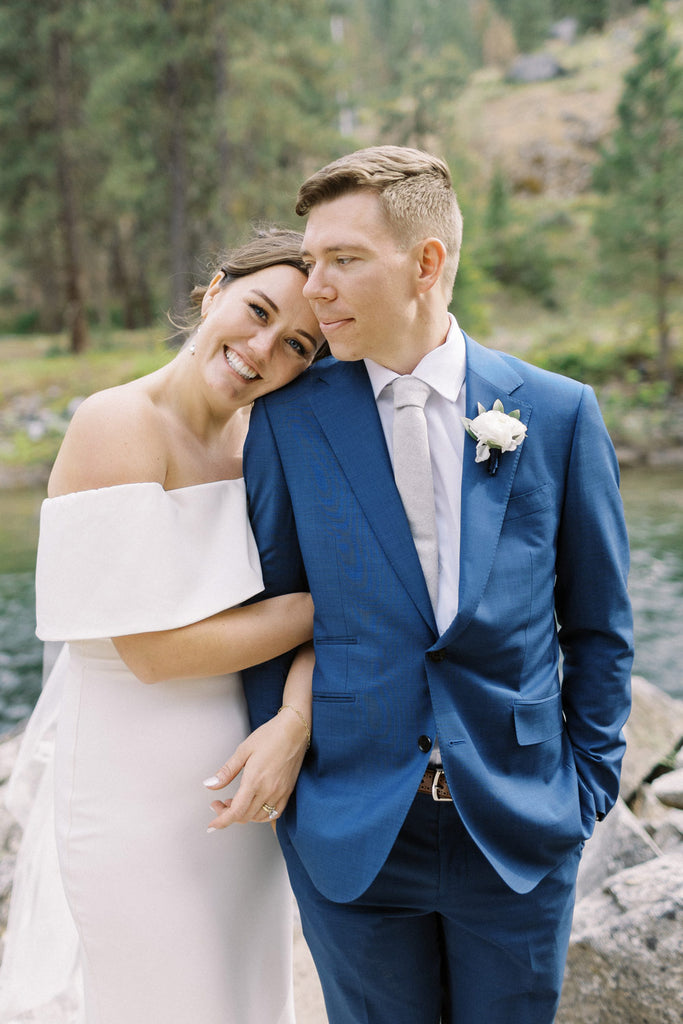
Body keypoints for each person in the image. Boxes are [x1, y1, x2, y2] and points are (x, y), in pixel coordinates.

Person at [208, 148, 634, 1023]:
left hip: (518, 828)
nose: (313, 287)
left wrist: (584, 789)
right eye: (312, 258)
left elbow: (597, 626)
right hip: (352, 828)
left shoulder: (555, 414)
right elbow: (273, 610)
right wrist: (299, 772)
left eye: (343, 260)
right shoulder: (287, 421)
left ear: (427, 263)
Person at [0, 229, 326, 1024]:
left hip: (240, 774)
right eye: (255, 311)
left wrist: (293, 718)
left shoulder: (263, 442)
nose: (260, 350)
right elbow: (150, 652)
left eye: (295, 346)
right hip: (130, 780)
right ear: (212, 291)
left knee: (240, 995)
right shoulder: (119, 423)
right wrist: (329, 607)